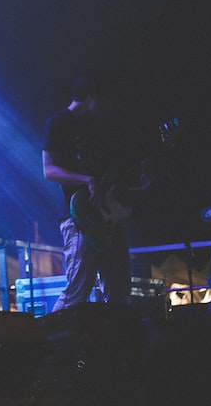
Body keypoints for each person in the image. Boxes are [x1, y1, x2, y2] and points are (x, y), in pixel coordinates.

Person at [42, 71, 131, 310]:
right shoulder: (58, 123)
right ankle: (51, 342)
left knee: (119, 288)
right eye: (105, 99)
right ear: (91, 96)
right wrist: (87, 180)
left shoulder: (100, 127)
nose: (109, 106)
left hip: (108, 216)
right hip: (78, 217)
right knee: (77, 290)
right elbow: (49, 170)